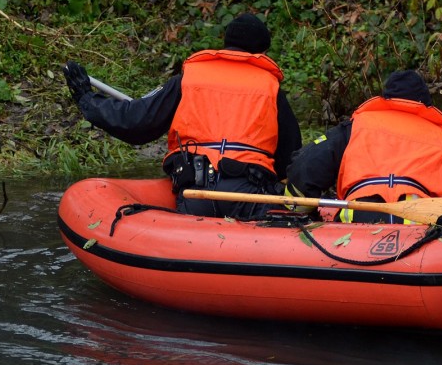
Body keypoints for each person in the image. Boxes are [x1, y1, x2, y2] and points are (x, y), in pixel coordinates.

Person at [63, 13, 302, 219]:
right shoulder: (271, 89)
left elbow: (136, 121)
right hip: (247, 195)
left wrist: (86, 97)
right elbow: (290, 157)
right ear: (262, 51)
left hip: (196, 191)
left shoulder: (188, 79)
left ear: (225, 43)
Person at [285, 69, 442, 223]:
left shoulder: (355, 128)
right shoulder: (438, 138)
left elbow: (306, 166)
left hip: (356, 225)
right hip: (418, 228)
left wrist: (302, 213)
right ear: (425, 104)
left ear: (386, 99)